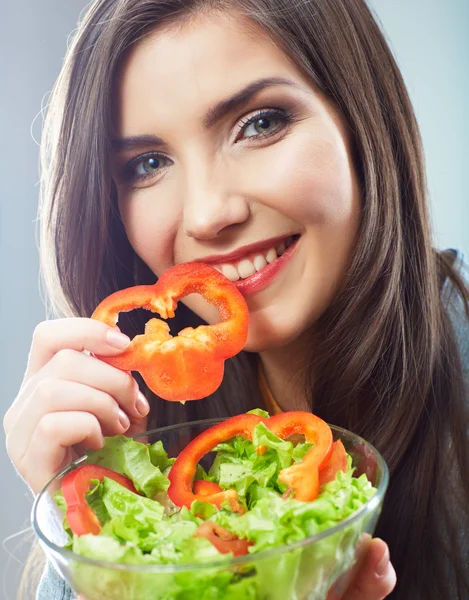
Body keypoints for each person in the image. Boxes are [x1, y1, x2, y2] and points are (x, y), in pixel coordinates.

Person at [4, 0, 469, 598]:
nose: (208, 214)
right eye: (148, 163)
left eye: (261, 122)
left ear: (360, 117)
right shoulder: (142, 429)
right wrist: (87, 535)